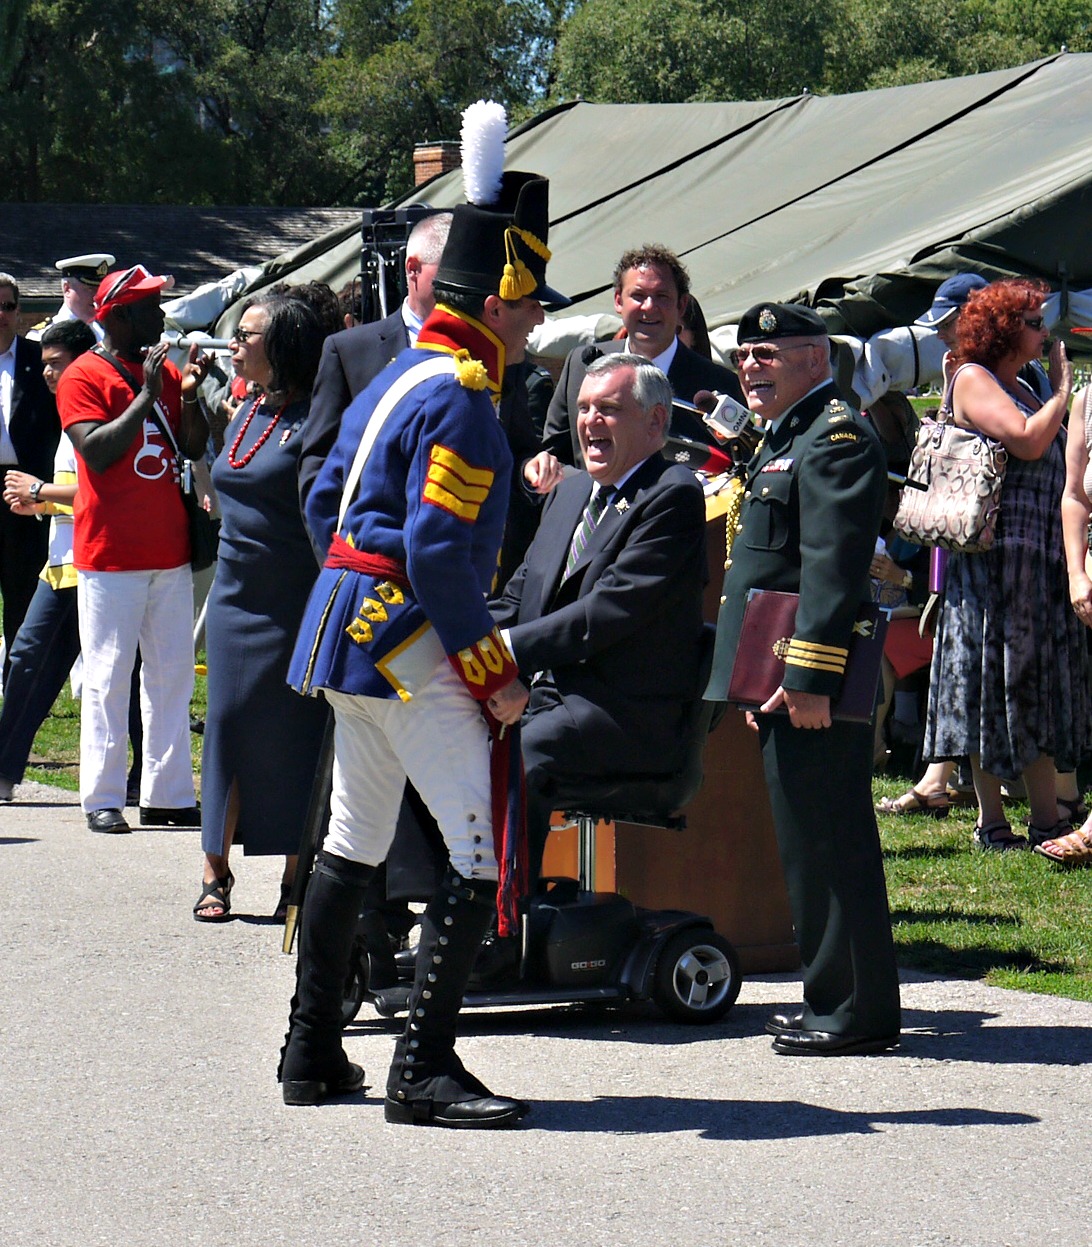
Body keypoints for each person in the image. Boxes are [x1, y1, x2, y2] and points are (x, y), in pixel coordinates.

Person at [279, 135, 566, 1127]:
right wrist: (492, 673)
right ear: (495, 303)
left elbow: (322, 495)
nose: (535, 324)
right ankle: (423, 1068)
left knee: (352, 840)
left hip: (348, 632)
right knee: (478, 851)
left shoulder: (403, 372)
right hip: (411, 648)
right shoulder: (467, 399)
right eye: (530, 305)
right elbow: (443, 555)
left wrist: (355, 585)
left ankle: (310, 1050)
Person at [706, 301, 901, 1056]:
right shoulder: (788, 436)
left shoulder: (836, 435)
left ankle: (853, 1009)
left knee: (830, 838)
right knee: (808, 839)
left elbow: (831, 565)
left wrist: (809, 676)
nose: (751, 365)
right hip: (781, 675)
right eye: (745, 353)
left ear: (816, 359)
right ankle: (837, 997)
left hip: (811, 677)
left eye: (769, 352)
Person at [491, 353, 707, 883]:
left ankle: (503, 916)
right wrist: (456, 638)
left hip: (616, 710)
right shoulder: (569, 492)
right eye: (584, 408)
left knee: (521, 753)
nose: (589, 422)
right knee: (430, 731)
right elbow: (519, 594)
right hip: (546, 695)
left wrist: (502, 652)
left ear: (655, 422)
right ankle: (425, 904)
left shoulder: (671, 494)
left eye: (608, 409)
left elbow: (604, 614)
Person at [922, 278, 1089, 852]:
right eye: (1036, 323)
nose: (1046, 334)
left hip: (1029, 566)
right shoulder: (973, 378)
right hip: (992, 570)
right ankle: (996, 820)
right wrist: (1065, 389)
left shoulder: (1020, 382)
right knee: (989, 685)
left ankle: (1044, 818)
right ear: (1005, 328)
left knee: (1024, 687)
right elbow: (1026, 441)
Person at [58, 264, 212, 834]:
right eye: (150, 308)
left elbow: (190, 448)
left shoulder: (164, 373)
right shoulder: (82, 376)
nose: (160, 317)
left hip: (168, 548)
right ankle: (101, 795)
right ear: (119, 315)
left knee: (171, 674)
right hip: (109, 553)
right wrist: (147, 395)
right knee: (108, 674)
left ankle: (167, 794)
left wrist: (189, 398)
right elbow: (96, 451)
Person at [195, 296, 330, 921]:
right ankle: (213, 872)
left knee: (295, 735)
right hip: (233, 597)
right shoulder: (244, 408)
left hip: (294, 598)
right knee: (225, 721)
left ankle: (295, 881)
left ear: (282, 348)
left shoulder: (318, 419)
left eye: (246, 336)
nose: (235, 346)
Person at [0, 320, 142, 803]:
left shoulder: (99, 412)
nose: (46, 375)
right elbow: (77, 493)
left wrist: (39, 490)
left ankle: (144, 779)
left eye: (54, 365)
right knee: (25, 660)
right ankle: (4, 771)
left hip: (103, 563)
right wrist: (42, 504)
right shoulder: (66, 408)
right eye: (42, 366)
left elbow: (108, 491)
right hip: (62, 564)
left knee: (120, 674)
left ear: (84, 362)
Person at [300, 212, 454, 513]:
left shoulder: (491, 350)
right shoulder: (349, 352)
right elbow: (318, 465)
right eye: (449, 273)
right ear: (413, 269)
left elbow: (519, 447)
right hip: (373, 549)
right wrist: (338, 554)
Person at [541, 244, 742, 464]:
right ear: (618, 300)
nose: (649, 307)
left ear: (681, 305)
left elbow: (738, 466)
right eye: (638, 296)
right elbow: (554, 459)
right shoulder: (581, 365)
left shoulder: (719, 385)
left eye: (661, 296)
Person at [0, 272, 60, 684]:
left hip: (22, 492)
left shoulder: (39, 361)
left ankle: (16, 684)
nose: (0, 315)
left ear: (19, 312)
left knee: (22, 594)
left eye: (8, 306)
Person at [39, 254, 116, 342]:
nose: (97, 297)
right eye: (90, 289)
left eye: (100, 289)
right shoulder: (42, 336)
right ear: (67, 288)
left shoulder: (104, 334)